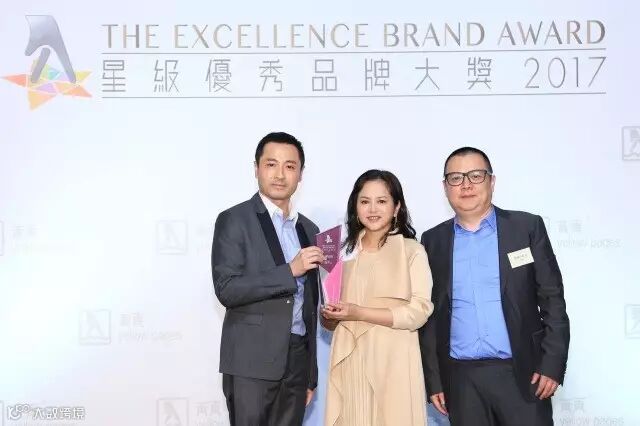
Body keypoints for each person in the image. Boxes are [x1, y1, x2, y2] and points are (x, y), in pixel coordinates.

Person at [419, 147, 570, 426]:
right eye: (455, 178)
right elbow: (430, 317)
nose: (466, 185)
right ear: (445, 187)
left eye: (476, 175)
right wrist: (434, 380)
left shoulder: (526, 228)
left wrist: (552, 364)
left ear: (492, 181)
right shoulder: (432, 241)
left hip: (523, 375)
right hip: (461, 381)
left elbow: (553, 300)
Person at [211, 132, 324, 426]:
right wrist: (289, 271)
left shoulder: (310, 230)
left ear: (301, 174)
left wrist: (310, 373)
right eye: (271, 164)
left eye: (290, 166)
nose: (280, 174)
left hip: (297, 362)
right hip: (250, 363)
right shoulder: (235, 219)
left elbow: (308, 306)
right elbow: (227, 288)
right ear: (256, 168)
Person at [322, 169, 434, 426]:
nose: (372, 209)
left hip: (394, 360)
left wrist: (359, 312)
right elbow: (330, 321)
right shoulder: (341, 253)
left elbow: (418, 312)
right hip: (350, 360)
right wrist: (329, 315)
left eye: (382, 201)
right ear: (355, 207)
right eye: (365, 201)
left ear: (397, 207)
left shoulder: (412, 251)